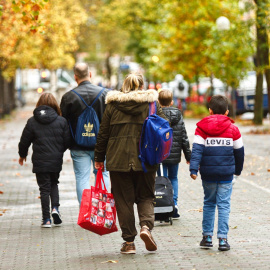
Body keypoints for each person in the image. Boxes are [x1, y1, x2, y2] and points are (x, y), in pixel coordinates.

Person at [94, 73, 167, 254]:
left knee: (123, 201)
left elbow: (103, 134)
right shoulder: (152, 104)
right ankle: (146, 228)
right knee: (146, 196)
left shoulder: (112, 105)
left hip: (118, 160)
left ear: (124, 85)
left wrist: (98, 158)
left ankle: (129, 243)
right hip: (146, 159)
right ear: (142, 86)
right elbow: (165, 126)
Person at [189, 95, 244, 251]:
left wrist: (193, 169)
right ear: (227, 112)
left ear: (210, 110)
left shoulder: (201, 129)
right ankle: (222, 239)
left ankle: (207, 237)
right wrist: (237, 172)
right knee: (224, 205)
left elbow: (197, 150)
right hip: (227, 173)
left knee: (209, 203)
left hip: (208, 173)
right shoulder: (233, 129)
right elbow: (239, 152)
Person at [18, 93, 71, 228]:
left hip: (40, 161)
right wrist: (58, 152)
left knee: (44, 188)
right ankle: (55, 208)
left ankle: (46, 219)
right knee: (54, 183)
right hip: (55, 160)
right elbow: (67, 142)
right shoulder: (62, 121)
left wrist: (22, 154)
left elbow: (24, 141)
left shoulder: (32, 121)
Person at [60, 63, 110, 205]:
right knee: (103, 174)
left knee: (82, 178)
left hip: (78, 145)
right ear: (90, 74)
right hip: (101, 145)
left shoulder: (68, 97)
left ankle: (86, 213)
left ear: (75, 77)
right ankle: (102, 210)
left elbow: (64, 123)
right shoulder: (105, 94)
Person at [157, 90, 191, 219]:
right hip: (174, 153)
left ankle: (163, 205)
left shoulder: (155, 115)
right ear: (172, 102)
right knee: (174, 178)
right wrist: (188, 156)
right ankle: (174, 204)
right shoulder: (178, 115)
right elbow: (184, 137)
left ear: (159, 102)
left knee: (162, 179)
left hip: (160, 154)